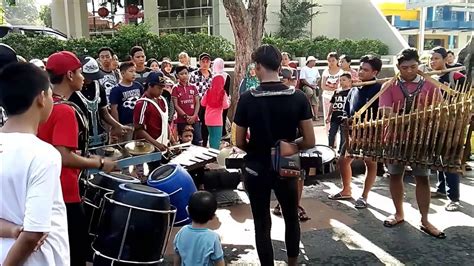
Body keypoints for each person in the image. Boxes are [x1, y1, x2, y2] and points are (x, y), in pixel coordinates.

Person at [234, 44, 315, 266]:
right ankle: (292, 263)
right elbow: (309, 140)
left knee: (261, 222)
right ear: (280, 65)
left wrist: (258, 147)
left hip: (256, 167)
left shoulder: (247, 98)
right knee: (291, 217)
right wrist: (288, 146)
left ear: (258, 66)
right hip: (287, 165)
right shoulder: (298, 97)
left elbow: (238, 141)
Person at [38, 51, 117, 265]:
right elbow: (62, 156)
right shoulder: (64, 110)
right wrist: (99, 162)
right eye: (80, 72)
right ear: (70, 75)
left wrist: (83, 155)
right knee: (76, 254)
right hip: (66, 193)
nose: (84, 77)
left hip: (45, 191)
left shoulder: (42, 104)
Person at [0, 62, 70, 265]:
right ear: (41, 98)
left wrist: (13, 230)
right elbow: (34, 233)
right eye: (49, 94)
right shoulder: (42, 154)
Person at [379, 47, 445, 239]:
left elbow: (438, 109)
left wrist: (421, 119)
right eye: (405, 67)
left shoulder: (430, 85)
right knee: (395, 175)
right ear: (398, 67)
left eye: (413, 66)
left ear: (419, 65)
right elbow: (385, 111)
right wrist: (409, 119)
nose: (409, 71)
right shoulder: (389, 85)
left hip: (421, 140)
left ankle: (425, 219)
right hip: (394, 138)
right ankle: (399, 213)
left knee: (422, 177)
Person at [328, 54, 383, 210]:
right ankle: (346, 190)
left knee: (370, 163)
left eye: (365, 70)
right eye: (360, 68)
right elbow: (347, 109)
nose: (360, 72)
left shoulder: (379, 89)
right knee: (343, 160)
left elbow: (383, 111)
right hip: (352, 132)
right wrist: (347, 120)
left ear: (375, 72)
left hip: (371, 132)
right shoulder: (354, 88)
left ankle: (364, 196)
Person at [429, 46, 466, 212]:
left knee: (450, 159)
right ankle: (441, 189)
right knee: (437, 157)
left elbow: (465, 97)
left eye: (436, 58)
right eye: (431, 59)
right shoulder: (429, 78)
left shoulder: (455, 75)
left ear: (445, 59)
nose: (433, 61)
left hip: (452, 124)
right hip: (434, 123)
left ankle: (454, 198)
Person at [273, 66, 310, 222]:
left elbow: (306, 130)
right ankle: (285, 205)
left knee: (298, 176)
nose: (294, 82)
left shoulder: (299, 97)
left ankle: (295, 204)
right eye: (290, 79)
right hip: (281, 147)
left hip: (293, 145)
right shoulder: (275, 97)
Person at [69, 56, 131, 148]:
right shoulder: (71, 91)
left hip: (100, 137)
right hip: (79, 139)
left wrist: (117, 125)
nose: (90, 80)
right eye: (87, 77)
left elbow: (104, 112)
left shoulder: (99, 87)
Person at [173, 191, 224, 266]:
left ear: (187, 210)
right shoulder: (213, 237)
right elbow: (219, 261)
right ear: (213, 216)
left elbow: (177, 257)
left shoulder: (181, 232)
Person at [201, 58, 230, 149]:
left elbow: (202, 103)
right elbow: (226, 106)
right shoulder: (223, 93)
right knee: (216, 139)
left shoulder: (208, 91)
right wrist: (228, 100)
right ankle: (213, 156)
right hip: (217, 120)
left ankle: (210, 154)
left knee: (211, 137)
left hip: (208, 118)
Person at [172, 64, 202, 145]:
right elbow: (176, 105)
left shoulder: (193, 87)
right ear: (177, 76)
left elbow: (197, 103)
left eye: (186, 73)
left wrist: (194, 116)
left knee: (197, 141)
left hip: (195, 120)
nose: (184, 76)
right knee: (184, 143)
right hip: (182, 120)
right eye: (181, 74)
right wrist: (185, 116)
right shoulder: (175, 88)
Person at [110, 61, 144, 128]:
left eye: (135, 71)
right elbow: (114, 109)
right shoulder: (116, 89)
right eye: (131, 71)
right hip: (125, 124)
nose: (134, 74)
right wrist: (117, 126)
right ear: (122, 73)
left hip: (139, 122)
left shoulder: (138, 86)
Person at [190, 53, 213, 147]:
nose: (205, 64)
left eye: (207, 61)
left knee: (206, 125)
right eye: (203, 61)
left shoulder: (213, 75)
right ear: (199, 62)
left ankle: (204, 144)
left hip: (209, 104)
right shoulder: (194, 74)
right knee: (196, 124)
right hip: (197, 103)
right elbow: (190, 89)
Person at [326, 72, 352, 153]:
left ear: (350, 81)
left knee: (343, 135)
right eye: (340, 80)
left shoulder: (351, 92)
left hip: (345, 117)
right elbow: (332, 104)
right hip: (335, 116)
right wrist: (328, 115)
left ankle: (341, 151)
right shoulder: (337, 92)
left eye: (344, 80)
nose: (342, 82)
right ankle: (330, 148)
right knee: (331, 133)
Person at [321, 52, 343, 127]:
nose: (331, 62)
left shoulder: (341, 72)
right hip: (327, 96)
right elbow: (323, 86)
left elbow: (341, 86)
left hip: (337, 97)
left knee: (338, 118)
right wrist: (333, 88)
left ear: (337, 60)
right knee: (327, 117)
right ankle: (329, 137)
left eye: (333, 60)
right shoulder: (326, 71)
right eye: (329, 61)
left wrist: (334, 88)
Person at [212, 57, 231, 138]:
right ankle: (222, 133)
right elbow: (226, 90)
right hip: (224, 99)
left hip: (213, 100)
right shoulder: (227, 76)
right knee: (223, 117)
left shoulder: (212, 75)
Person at [299, 56, 320, 120]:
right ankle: (305, 102)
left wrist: (316, 82)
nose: (314, 63)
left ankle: (316, 116)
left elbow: (318, 77)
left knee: (315, 100)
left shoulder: (315, 69)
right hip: (306, 86)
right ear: (309, 61)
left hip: (314, 86)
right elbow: (303, 80)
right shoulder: (304, 69)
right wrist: (310, 85)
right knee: (310, 92)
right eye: (313, 61)